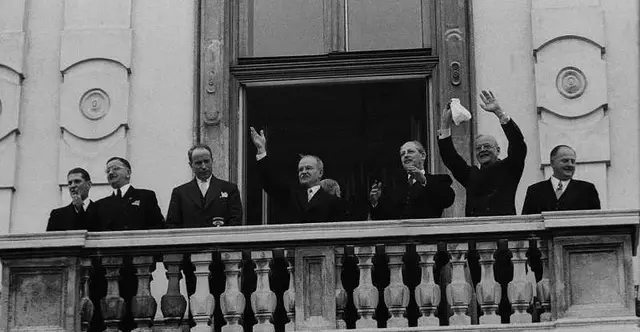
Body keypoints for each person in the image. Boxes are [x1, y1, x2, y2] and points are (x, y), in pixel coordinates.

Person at [438, 90, 527, 217]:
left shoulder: (510, 168)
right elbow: (450, 159)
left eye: (487, 146)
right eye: (478, 148)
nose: (482, 150)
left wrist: (499, 113)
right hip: (475, 232)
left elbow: (518, 144)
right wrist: (444, 124)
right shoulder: (471, 175)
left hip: (504, 230)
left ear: (498, 150)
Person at [249, 127, 346, 223]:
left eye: (308, 168)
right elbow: (269, 181)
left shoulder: (333, 201)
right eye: (300, 169)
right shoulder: (290, 195)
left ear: (320, 173)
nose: (303, 172)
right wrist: (261, 151)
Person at [369, 141, 455, 220]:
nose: (406, 155)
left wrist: (424, 181)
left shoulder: (438, 180)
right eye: (403, 154)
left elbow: (447, 200)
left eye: (410, 151)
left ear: (423, 155)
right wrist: (375, 202)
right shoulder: (394, 186)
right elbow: (382, 218)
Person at [166, 144, 243, 228]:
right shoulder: (180, 193)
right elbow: (172, 224)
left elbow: (236, 222)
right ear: (191, 165)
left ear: (212, 161)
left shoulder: (230, 189)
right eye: (198, 163)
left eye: (206, 161)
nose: (203, 167)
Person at [522, 145, 600, 214]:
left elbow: (596, 222)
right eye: (565, 161)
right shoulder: (534, 191)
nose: (570, 165)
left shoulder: (587, 189)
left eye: (573, 161)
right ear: (552, 163)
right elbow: (526, 223)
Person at [95, 157, 164, 231]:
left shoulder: (145, 196)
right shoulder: (100, 205)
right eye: (108, 171)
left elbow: (158, 226)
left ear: (128, 173)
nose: (110, 173)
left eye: (115, 168)